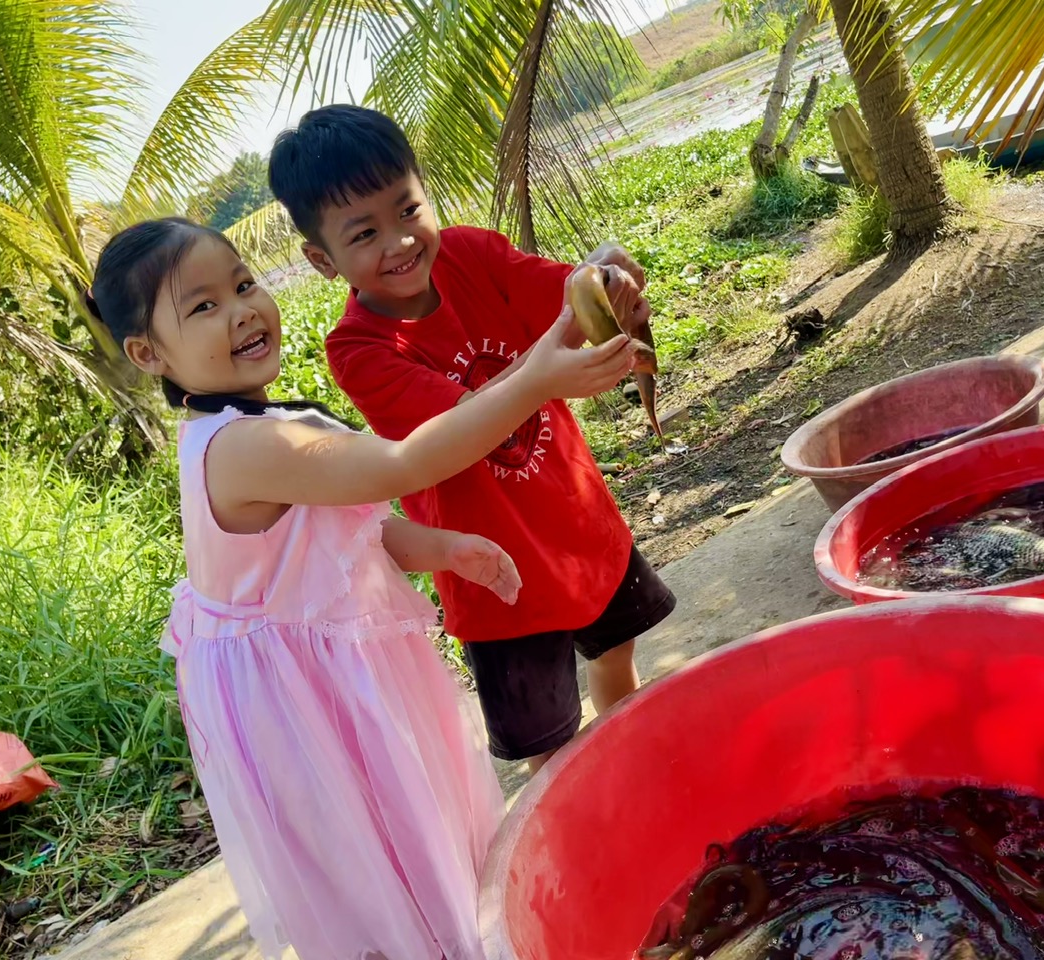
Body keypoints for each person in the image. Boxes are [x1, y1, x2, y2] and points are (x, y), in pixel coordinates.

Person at [85, 217, 637, 960]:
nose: (242, 310)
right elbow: (403, 464)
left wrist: (443, 548)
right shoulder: (242, 445)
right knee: (389, 856)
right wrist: (535, 379)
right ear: (149, 354)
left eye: (244, 284)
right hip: (304, 702)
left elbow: (341, 535)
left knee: (426, 832)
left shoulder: (254, 423)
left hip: (330, 672)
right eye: (204, 305)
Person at [268, 104, 677, 775]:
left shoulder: (473, 254)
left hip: (577, 523)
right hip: (495, 577)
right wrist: (543, 375)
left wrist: (603, 279)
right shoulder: (359, 349)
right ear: (322, 259)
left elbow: (568, 301)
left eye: (408, 210)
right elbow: (465, 425)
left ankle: (637, 772)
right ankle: (576, 817)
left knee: (616, 654)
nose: (400, 241)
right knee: (548, 739)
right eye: (365, 232)